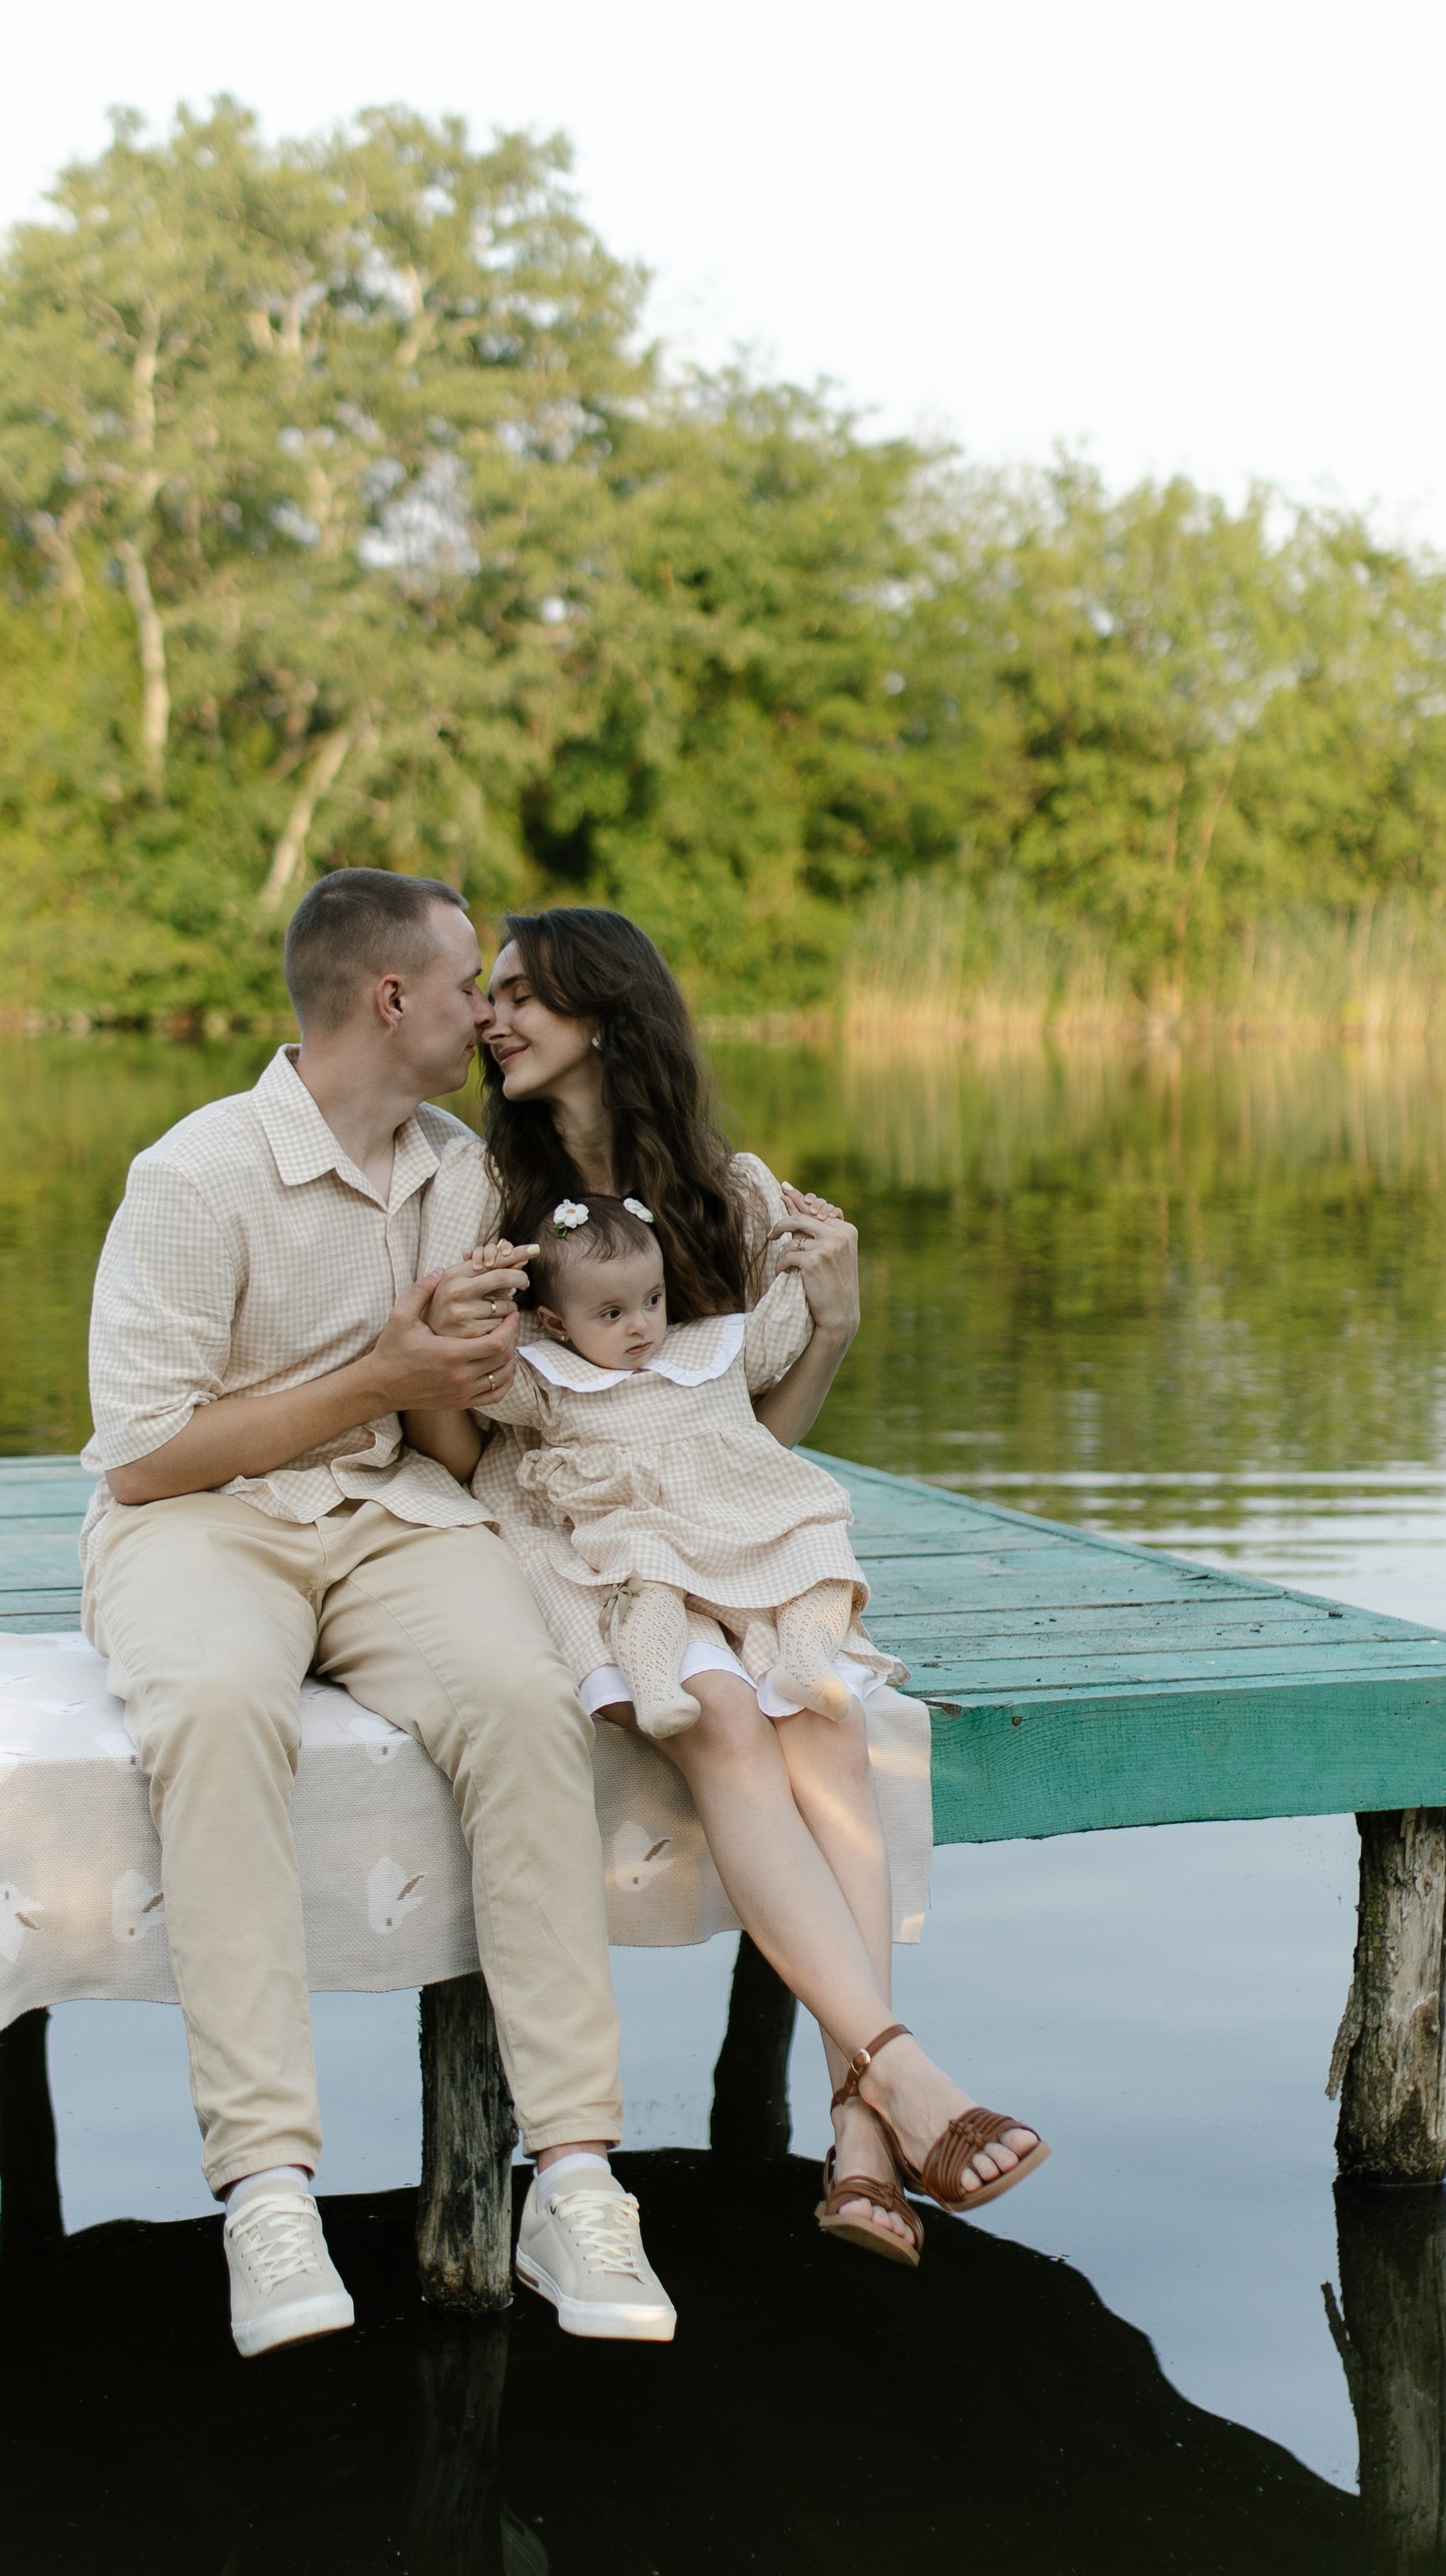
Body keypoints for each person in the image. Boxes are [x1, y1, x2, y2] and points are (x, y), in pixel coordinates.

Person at [79, 869, 676, 2356]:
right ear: (390, 998)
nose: (487, 1013)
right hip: (200, 1520)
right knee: (219, 1709)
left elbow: (446, 1439)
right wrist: (386, 1375)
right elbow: (145, 1457)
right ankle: (266, 2189)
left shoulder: (459, 1173)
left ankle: (576, 2179)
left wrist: (460, 1384)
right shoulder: (194, 1175)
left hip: (392, 1509)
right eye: (470, 985)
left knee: (525, 1700)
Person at [468, 907, 1049, 2267]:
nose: (492, 1019)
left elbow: (745, 1445)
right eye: (487, 994)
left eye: (522, 994)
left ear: (605, 1014)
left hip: (721, 1520)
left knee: (826, 1725)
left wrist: (833, 1326)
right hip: (572, 1528)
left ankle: (860, 2138)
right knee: (725, 1717)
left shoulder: (729, 1193)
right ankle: (902, 2078)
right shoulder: (481, 1191)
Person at [409, 1194, 907, 1737]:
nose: (640, 1325)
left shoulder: (710, 1348)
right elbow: (482, 1383)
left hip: (742, 1513)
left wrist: (805, 1249)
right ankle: (655, 1686)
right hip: (646, 1524)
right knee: (648, 1584)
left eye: (652, 1299)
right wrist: (488, 1304)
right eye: (612, 1314)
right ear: (555, 1323)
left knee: (820, 1554)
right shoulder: (551, 1380)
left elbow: (780, 1333)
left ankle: (807, 1659)